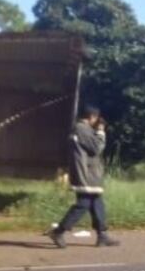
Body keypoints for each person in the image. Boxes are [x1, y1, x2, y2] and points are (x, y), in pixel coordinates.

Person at [49, 105, 119, 248]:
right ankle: (58, 231)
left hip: (88, 173)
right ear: (92, 117)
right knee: (83, 204)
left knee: (97, 203)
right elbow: (96, 148)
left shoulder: (79, 129)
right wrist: (100, 132)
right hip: (85, 174)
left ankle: (102, 235)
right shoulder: (82, 129)